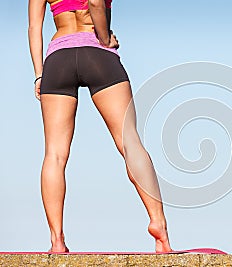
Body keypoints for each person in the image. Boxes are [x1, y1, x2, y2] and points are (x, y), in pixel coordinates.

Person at [28, 0, 172, 253]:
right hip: (96, 53)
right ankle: (158, 224)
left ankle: (57, 240)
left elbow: (33, 27)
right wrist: (105, 39)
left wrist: (40, 73)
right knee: (130, 143)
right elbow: (95, 2)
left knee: (55, 154)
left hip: (57, 59)